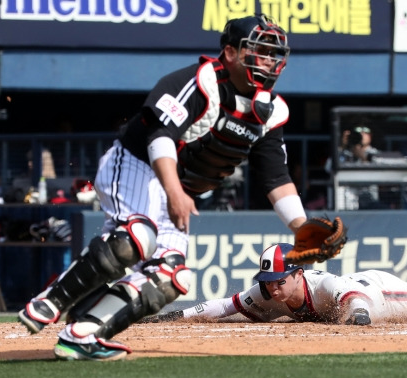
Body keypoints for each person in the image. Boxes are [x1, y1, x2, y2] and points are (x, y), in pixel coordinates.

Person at [18, 14, 309, 361]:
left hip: (179, 188)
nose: (268, 61)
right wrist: (175, 193)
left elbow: (275, 177)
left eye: (273, 53)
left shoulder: (271, 111)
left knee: (171, 277)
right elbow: (160, 136)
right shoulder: (202, 81)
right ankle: (52, 299)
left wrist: (303, 230)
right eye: (259, 51)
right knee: (137, 238)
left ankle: (83, 333)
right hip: (136, 164)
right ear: (230, 52)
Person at [168, 243, 407, 325]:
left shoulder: (321, 282)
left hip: (377, 293)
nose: (272, 289)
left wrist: (359, 316)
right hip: (359, 297)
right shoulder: (268, 293)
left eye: (278, 280)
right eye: (267, 282)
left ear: (297, 273)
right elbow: (225, 305)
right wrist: (177, 316)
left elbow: (353, 296)